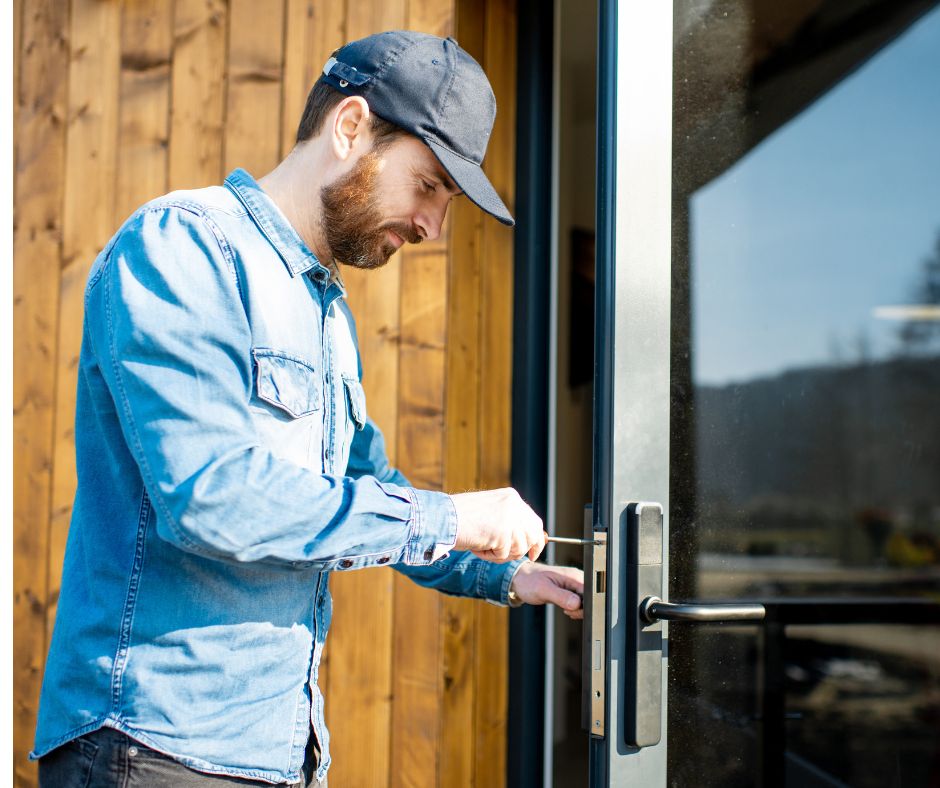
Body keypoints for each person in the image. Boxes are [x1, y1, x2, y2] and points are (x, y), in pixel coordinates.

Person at [30, 30, 584, 787]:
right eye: (428, 185)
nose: (433, 227)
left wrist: (501, 576)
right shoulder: (183, 247)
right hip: (153, 749)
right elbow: (212, 495)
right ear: (350, 127)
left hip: (281, 753)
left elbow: (369, 490)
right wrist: (451, 516)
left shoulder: (325, 313)